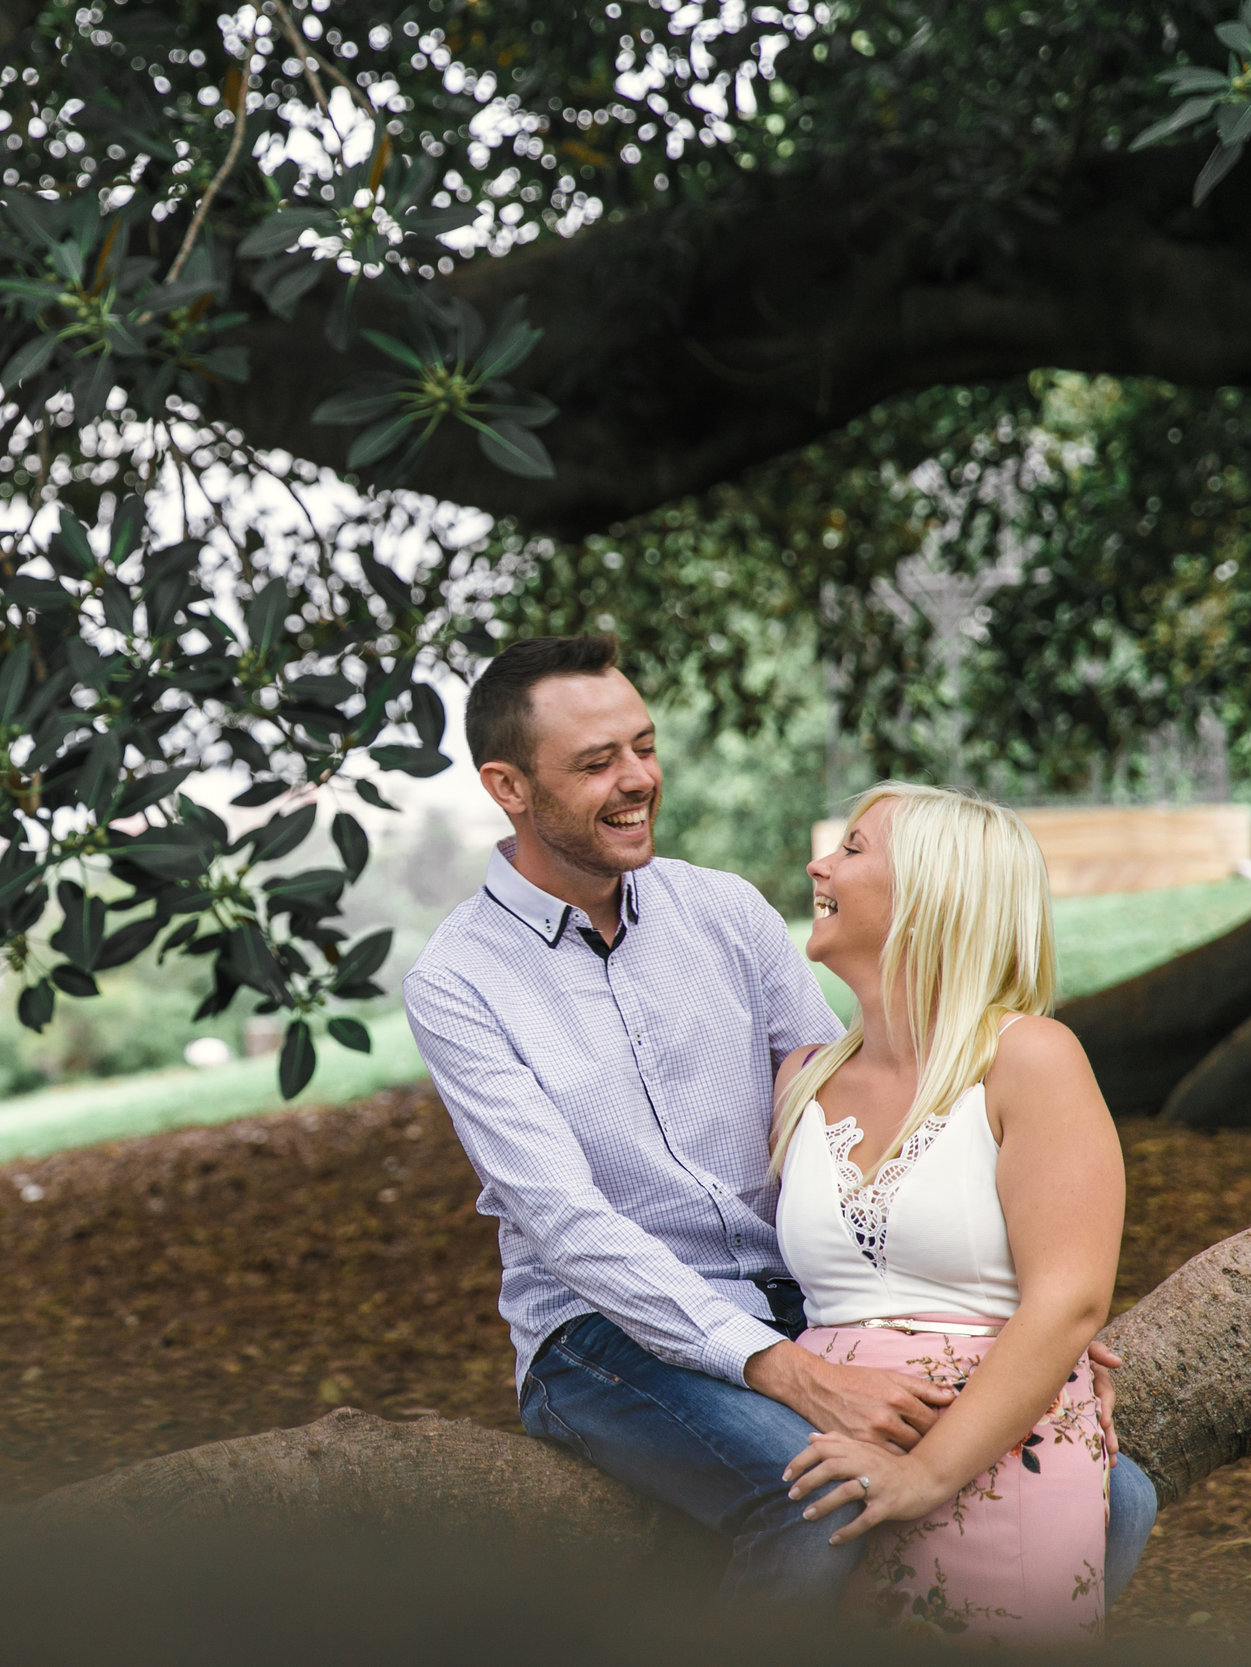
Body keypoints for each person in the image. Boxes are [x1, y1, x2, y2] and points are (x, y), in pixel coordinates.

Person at [399, 634, 1156, 1619]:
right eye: (596, 763)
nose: (637, 780)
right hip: (601, 1334)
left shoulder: (725, 911)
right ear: (507, 784)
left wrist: (1023, 1313)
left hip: (802, 1306)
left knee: (1117, 1489)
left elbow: (848, 1099)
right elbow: (566, 1222)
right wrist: (785, 1370)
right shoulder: (457, 982)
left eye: (643, 744)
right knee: (807, 1501)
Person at [773, 783, 1119, 1643]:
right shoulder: (801, 1078)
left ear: (932, 898)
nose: (819, 863)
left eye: (852, 848)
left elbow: (1070, 1297)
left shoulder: (1029, 1057)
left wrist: (924, 1475)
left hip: (996, 1465)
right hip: (824, 1457)